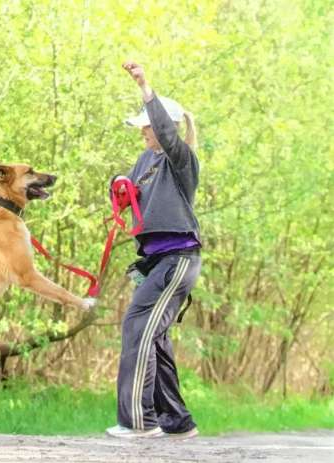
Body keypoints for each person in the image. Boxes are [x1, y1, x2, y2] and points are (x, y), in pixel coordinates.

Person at [105, 61, 202, 439]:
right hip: (154, 260)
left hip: (179, 259)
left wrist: (145, 86)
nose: (143, 132)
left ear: (164, 128)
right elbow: (129, 193)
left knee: (138, 326)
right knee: (154, 337)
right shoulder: (145, 159)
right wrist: (117, 188)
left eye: (147, 125)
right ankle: (177, 422)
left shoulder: (182, 160)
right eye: (142, 126)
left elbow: (163, 128)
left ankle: (140, 422)